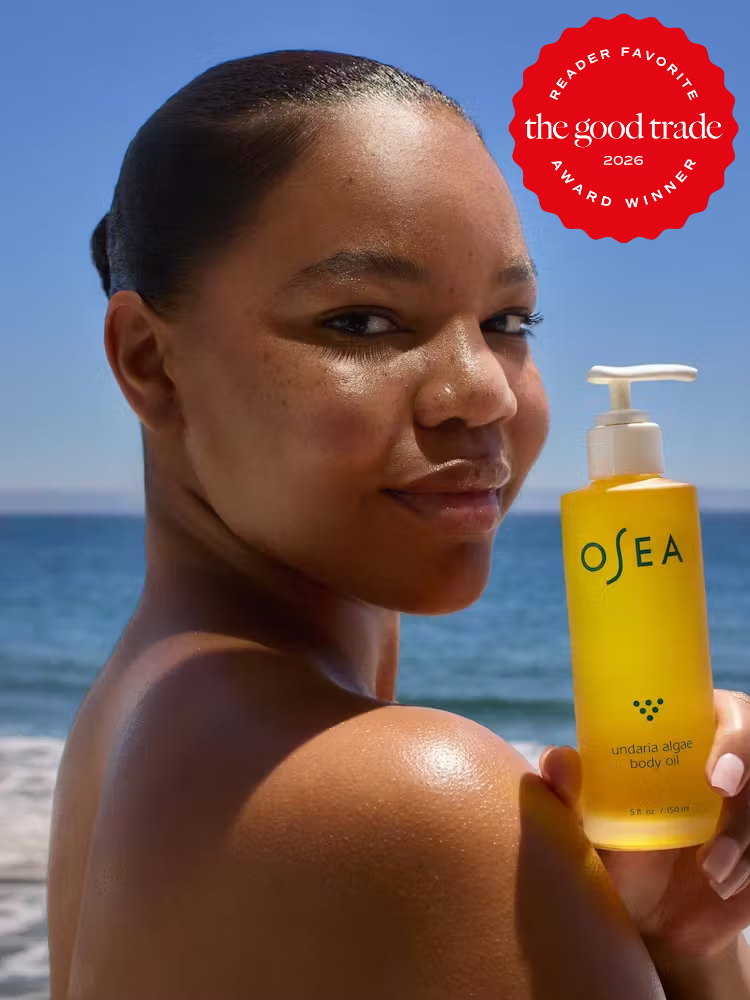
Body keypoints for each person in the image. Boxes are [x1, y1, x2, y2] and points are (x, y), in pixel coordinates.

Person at [47, 50, 750, 999]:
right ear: (149, 362)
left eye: (511, 320)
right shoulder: (410, 801)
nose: (485, 393)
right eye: (364, 322)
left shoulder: (132, 721)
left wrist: (680, 936)